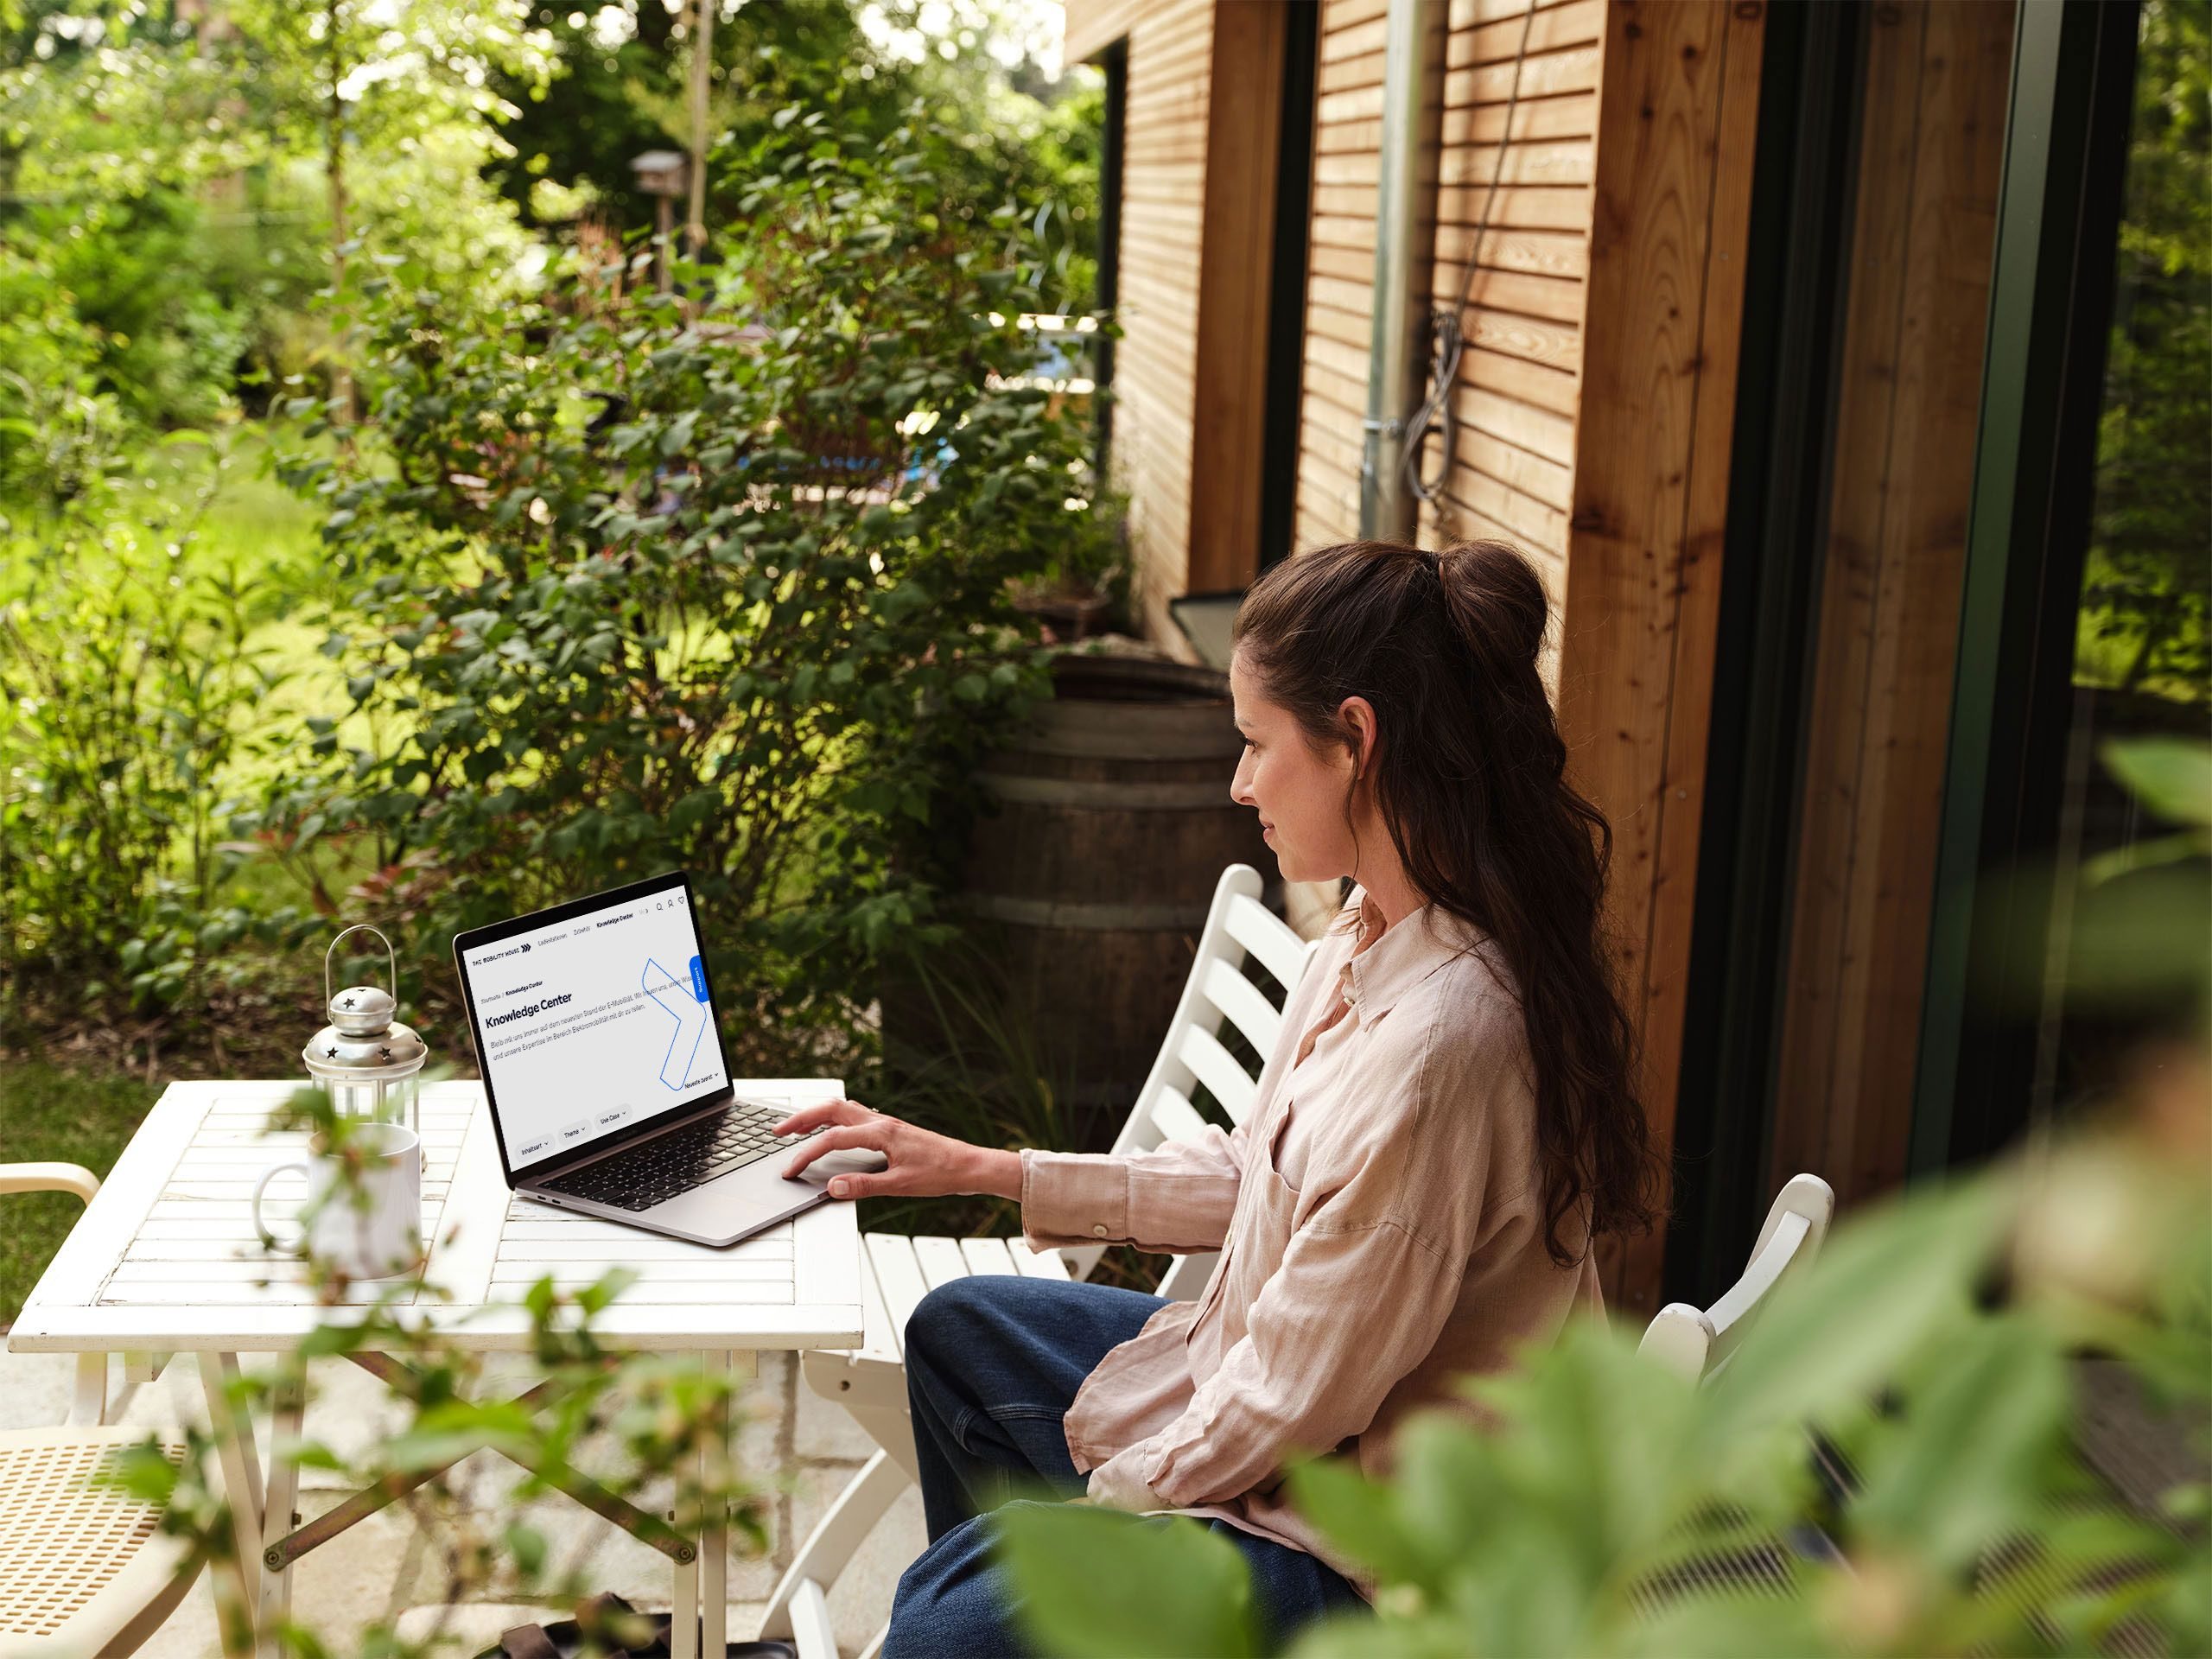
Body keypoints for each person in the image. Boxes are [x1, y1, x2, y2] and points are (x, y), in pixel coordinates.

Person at [772, 539, 1657, 1656]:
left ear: (1354, 739)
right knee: (960, 1332)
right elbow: (1261, 1177)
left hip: (1373, 1547)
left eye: (1255, 743)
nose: (1238, 782)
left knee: (945, 1627)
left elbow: (1295, 1397)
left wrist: (1100, 1520)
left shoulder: (1447, 1040)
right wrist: (988, 1171)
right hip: (1301, 1434)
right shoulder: (1368, 938)